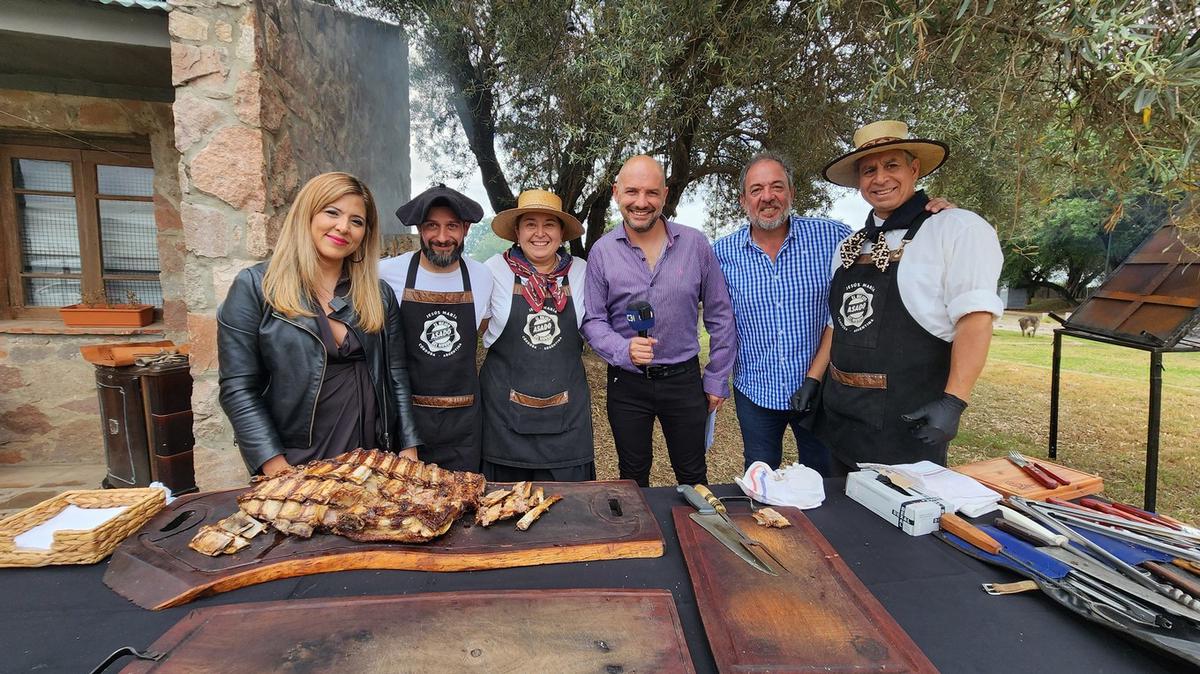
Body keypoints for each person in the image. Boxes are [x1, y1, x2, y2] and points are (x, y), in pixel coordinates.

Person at [806, 120, 1003, 473]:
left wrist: (954, 401)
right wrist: (813, 381)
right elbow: (839, 325)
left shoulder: (956, 229)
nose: (880, 178)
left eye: (891, 165)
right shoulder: (849, 247)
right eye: (869, 170)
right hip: (843, 418)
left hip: (906, 421)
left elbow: (975, 319)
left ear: (914, 169)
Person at [218, 172, 421, 477]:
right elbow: (238, 388)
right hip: (295, 463)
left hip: (371, 461)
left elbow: (397, 377)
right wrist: (275, 467)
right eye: (332, 212)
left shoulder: (378, 295)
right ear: (307, 215)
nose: (343, 227)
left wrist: (408, 448)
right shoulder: (256, 287)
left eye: (357, 221)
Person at [581, 155, 737, 487]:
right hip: (627, 384)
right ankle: (644, 540)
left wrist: (716, 379)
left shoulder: (695, 244)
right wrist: (623, 349)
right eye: (632, 192)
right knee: (633, 477)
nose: (641, 202)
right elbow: (593, 320)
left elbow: (720, 315)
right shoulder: (601, 252)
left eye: (651, 193)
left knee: (693, 474)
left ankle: (694, 537)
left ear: (665, 195)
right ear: (616, 193)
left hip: (684, 380)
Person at [713, 152, 850, 475]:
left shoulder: (833, 237)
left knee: (824, 479)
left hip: (819, 390)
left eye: (777, 187)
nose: (768, 197)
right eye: (757, 189)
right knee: (760, 478)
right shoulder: (722, 253)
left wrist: (931, 215)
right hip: (756, 390)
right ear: (743, 200)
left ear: (792, 193)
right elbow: (716, 320)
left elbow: (886, 244)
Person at [478, 190, 594, 482]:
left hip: (567, 419)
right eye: (530, 224)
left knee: (569, 510)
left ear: (562, 233)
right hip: (503, 418)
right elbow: (472, 327)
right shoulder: (492, 270)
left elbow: (601, 325)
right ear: (517, 231)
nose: (539, 233)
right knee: (502, 511)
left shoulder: (581, 272)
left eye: (549, 224)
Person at [380, 184, 493, 473]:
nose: (442, 238)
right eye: (432, 226)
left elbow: (483, 327)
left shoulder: (481, 276)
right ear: (419, 228)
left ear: (466, 229)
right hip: (408, 422)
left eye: (452, 226)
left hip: (464, 425)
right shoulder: (386, 273)